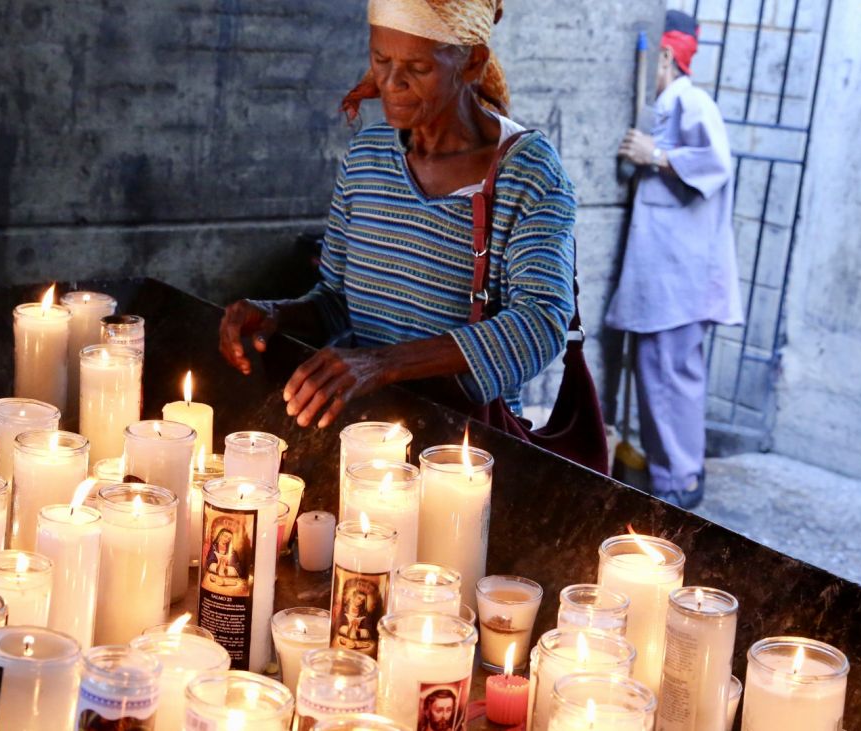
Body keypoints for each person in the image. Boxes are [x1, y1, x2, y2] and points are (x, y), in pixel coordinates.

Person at [218, 0, 578, 429]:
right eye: (380, 60)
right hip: (369, 432)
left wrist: (382, 364)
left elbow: (541, 323)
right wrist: (276, 314)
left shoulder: (527, 173)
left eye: (417, 68)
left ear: (471, 63)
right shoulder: (368, 156)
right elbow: (337, 300)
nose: (391, 84)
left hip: (462, 449)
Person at [606, 10, 742, 508]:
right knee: (662, 377)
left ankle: (677, 485)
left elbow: (717, 163)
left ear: (665, 55)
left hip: (681, 279)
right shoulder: (665, 107)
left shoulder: (691, 100)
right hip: (667, 277)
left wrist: (657, 156)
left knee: (668, 380)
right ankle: (675, 477)